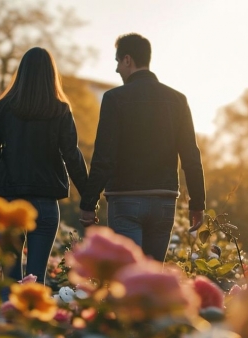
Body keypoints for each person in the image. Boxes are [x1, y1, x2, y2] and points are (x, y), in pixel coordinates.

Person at [79, 33, 205, 262]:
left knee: (127, 278)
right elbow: (191, 156)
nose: (117, 69)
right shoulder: (177, 100)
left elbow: (103, 157)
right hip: (164, 200)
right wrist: (197, 204)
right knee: (153, 282)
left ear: (128, 60)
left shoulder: (114, 99)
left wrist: (88, 203)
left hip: (125, 199)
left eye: (118, 62)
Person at [0, 47, 88, 286]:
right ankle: (30, 322)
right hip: (45, 202)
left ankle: (5, 321)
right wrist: (88, 199)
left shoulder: (3, 108)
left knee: (8, 279)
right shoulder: (60, 110)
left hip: (9, 201)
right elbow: (71, 154)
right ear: (51, 74)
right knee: (35, 279)